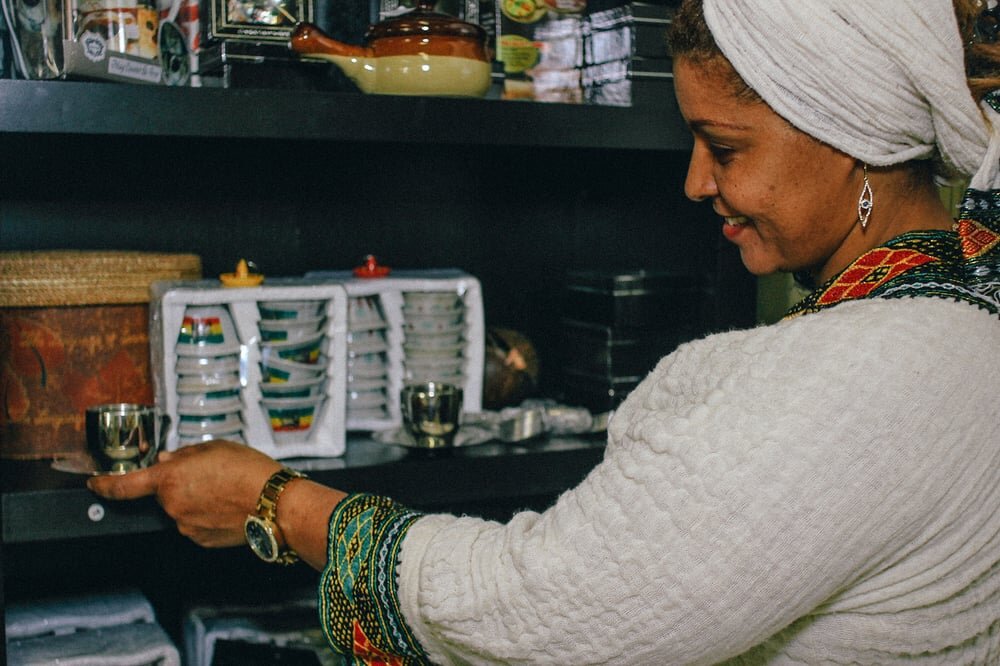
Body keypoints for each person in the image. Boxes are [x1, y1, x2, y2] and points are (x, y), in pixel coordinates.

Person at [90, 0, 1000, 662]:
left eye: (726, 148)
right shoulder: (950, 319)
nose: (695, 183)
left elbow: (547, 612)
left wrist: (278, 504)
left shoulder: (877, 369)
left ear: (850, 137)